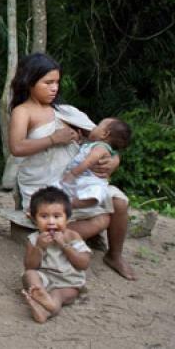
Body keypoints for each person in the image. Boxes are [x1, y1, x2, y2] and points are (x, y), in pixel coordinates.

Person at [8, 52, 135, 280]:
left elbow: (104, 138)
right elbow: (16, 147)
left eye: (56, 82)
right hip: (45, 184)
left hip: (79, 182)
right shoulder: (22, 112)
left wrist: (115, 160)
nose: (54, 88)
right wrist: (53, 139)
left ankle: (114, 255)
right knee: (104, 219)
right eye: (47, 82)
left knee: (120, 203)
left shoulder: (66, 111)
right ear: (29, 81)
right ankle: (54, 242)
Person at [22, 186, 92, 324]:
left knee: (59, 295)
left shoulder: (72, 236)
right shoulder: (34, 239)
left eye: (57, 216)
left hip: (68, 283)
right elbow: (30, 266)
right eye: (44, 216)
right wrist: (39, 247)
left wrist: (64, 246)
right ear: (34, 219)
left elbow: (84, 263)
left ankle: (48, 307)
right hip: (44, 279)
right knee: (29, 275)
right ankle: (41, 297)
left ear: (67, 218)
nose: (51, 222)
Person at [61, 118, 132, 212]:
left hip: (90, 179)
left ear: (104, 134)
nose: (93, 128)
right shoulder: (94, 145)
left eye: (97, 126)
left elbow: (88, 162)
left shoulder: (101, 148)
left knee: (94, 192)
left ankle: (72, 203)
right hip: (83, 178)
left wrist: (73, 174)